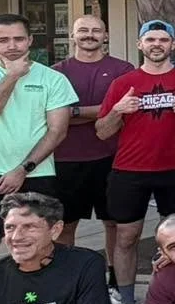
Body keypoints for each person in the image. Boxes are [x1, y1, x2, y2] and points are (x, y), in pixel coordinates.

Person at [97, 21, 175, 304]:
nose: (157, 44)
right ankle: (128, 301)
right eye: (150, 39)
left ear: (172, 45)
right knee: (126, 236)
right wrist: (119, 110)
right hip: (129, 169)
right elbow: (102, 132)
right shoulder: (123, 83)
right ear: (140, 44)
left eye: (163, 39)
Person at [0, 14, 80, 257]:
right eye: (3, 40)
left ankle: (34, 296)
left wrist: (23, 169)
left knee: (37, 247)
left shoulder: (53, 79)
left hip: (36, 173)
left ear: (30, 40)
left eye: (18, 39)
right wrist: (12, 75)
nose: (12, 46)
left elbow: (57, 131)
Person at [50, 14, 132, 249]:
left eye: (96, 30)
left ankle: (114, 278)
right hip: (66, 159)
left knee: (114, 223)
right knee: (64, 225)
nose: (89, 35)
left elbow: (125, 111)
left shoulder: (122, 69)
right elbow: (52, 116)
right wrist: (107, 109)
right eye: (83, 30)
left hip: (112, 158)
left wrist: (72, 112)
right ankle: (68, 278)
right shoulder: (56, 73)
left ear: (105, 36)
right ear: (72, 35)